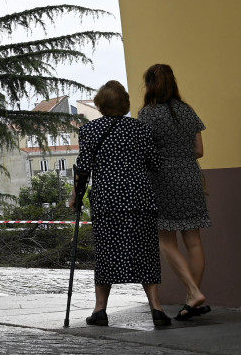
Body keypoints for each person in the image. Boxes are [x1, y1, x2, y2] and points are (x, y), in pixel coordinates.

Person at [70, 80, 171, 327]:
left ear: (100, 104)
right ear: (125, 104)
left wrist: (76, 196)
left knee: (106, 252)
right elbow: (155, 164)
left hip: (108, 199)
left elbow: (83, 169)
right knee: (146, 251)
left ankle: (100, 310)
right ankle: (156, 309)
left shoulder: (90, 130)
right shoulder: (140, 129)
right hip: (140, 197)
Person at [138, 63, 210, 321]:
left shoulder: (148, 114)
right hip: (191, 177)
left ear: (150, 85)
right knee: (193, 240)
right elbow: (199, 151)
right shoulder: (187, 111)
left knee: (166, 240)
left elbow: (144, 152)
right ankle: (192, 300)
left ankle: (193, 291)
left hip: (163, 180)